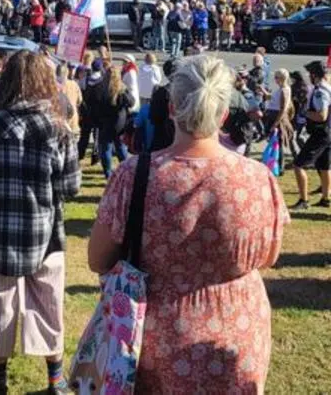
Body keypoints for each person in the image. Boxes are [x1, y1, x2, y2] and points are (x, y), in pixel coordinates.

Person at [88, 55, 288, 394]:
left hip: (157, 336)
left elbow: (98, 259)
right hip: (239, 331)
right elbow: (268, 257)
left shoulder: (135, 175)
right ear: (224, 115)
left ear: (171, 108)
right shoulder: (258, 178)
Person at [0, 51, 81, 395]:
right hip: (44, 230)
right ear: (45, 82)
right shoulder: (57, 127)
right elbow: (70, 187)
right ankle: (55, 381)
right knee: (48, 302)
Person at [291, 61, 331, 210]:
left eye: (310, 74)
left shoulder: (320, 92)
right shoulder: (330, 87)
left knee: (298, 164)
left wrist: (305, 112)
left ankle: (303, 200)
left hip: (321, 132)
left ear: (314, 75)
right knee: (325, 166)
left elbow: (321, 115)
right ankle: (326, 198)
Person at [83, 60, 134, 178]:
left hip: (104, 122)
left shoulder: (99, 87)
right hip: (118, 123)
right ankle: (126, 169)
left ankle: (108, 173)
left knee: (106, 147)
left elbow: (90, 102)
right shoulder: (121, 89)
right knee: (120, 147)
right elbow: (131, 102)